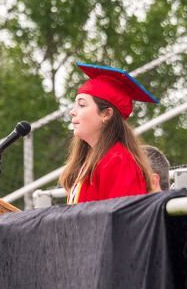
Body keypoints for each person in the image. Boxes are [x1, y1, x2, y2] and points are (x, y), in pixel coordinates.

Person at [59, 62, 159, 204]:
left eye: (81, 105)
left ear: (106, 114)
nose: (72, 111)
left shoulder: (118, 161)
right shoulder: (89, 161)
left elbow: (122, 219)